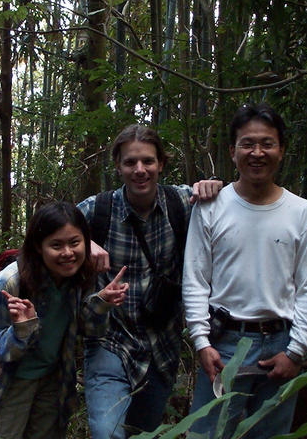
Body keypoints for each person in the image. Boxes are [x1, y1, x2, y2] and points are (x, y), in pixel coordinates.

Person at [182, 103, 307, 438]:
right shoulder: (211, 206)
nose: (257, 152)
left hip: (280, 343)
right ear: (232, 152)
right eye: (247, 144)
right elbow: (195, 278)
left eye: (267, 144)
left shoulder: (301, 212)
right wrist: (201, 342)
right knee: (206, 432)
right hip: (223, 342)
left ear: (281, 150)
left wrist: (296, 351)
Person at [77, 124, 222, 438]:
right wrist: (82, 244)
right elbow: (43, 232)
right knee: (108, 433)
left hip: (162, 346)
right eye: (130, 162)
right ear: (118, 167)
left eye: (148, 161)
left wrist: (215, 185)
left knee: (143, 434)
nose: (139, 170)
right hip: (110, 341)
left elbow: (236, 199)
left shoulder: (181, 203)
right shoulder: (97, 209)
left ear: (161, 164)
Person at [0, 202, 129, 439]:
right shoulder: (10, 282)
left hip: (53, 380)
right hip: (10, 384)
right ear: (38, 247)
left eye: (74, 243)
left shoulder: (79, 276)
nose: (67, 253)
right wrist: (22, 329)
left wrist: (101, 303)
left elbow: (85, 329)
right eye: (56, 245)